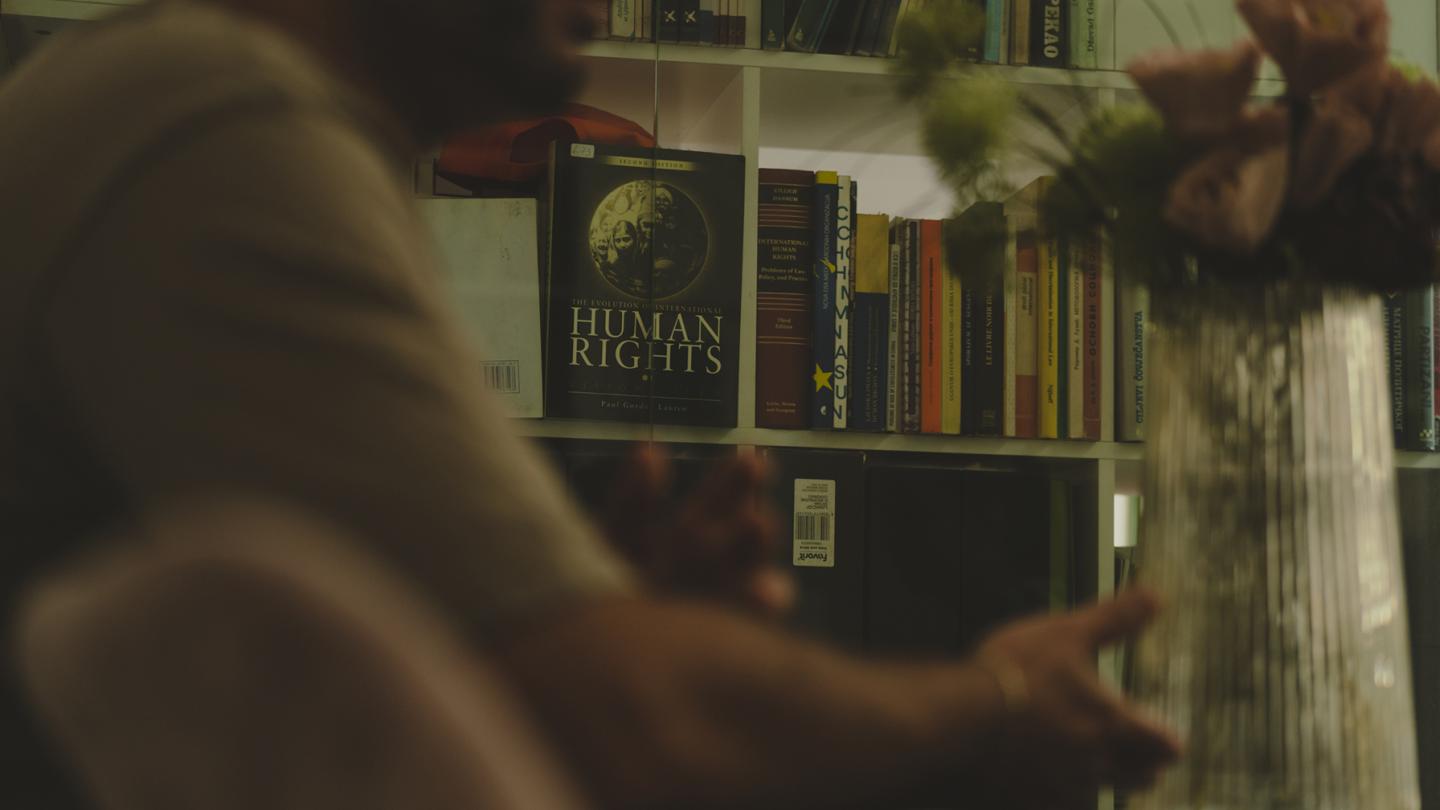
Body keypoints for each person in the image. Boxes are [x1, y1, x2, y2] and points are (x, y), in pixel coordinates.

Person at [0, 0, 1181, 807]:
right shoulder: (211, 119)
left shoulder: (241, 124)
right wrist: (1001, 698)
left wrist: (588, 617)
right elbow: (625, 720)